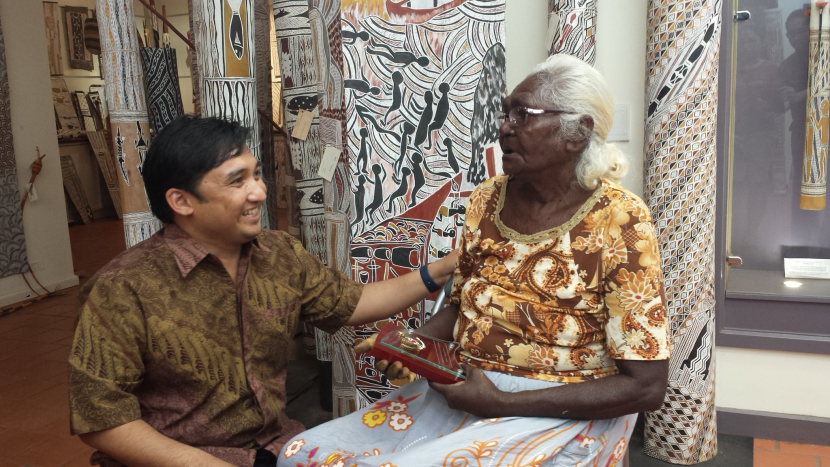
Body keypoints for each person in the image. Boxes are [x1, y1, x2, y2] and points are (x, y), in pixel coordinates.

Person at [277, 55, 671, 467]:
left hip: (561, 407)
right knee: (302, 456)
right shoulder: (487, 198)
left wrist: (499, 401)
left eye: (523, 114)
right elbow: (462, 305)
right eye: (505, 114)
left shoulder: (620, 219)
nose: (505, 127)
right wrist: (414, 347)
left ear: (577, 133)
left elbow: (645, 387)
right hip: (466, 387)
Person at [68, 116, 458, 467]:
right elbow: (102, 421)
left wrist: (442, 270)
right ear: (181, 201)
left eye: (256, 175)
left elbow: (351, 303)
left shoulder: (278, 254)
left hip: (274, 447)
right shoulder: (121, 289)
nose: (259, 192)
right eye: (237, 181)